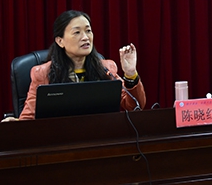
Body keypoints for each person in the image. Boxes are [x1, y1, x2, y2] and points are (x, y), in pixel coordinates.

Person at [13, 10, 146, 120]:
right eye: (77, 32)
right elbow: (28, 118)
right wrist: (15, 124)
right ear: (60, 41)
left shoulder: (106, 68)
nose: (85, 37)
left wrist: (130, 73)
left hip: (100, 137)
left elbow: (135, 106)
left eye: (88, 31)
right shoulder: (43, 73)